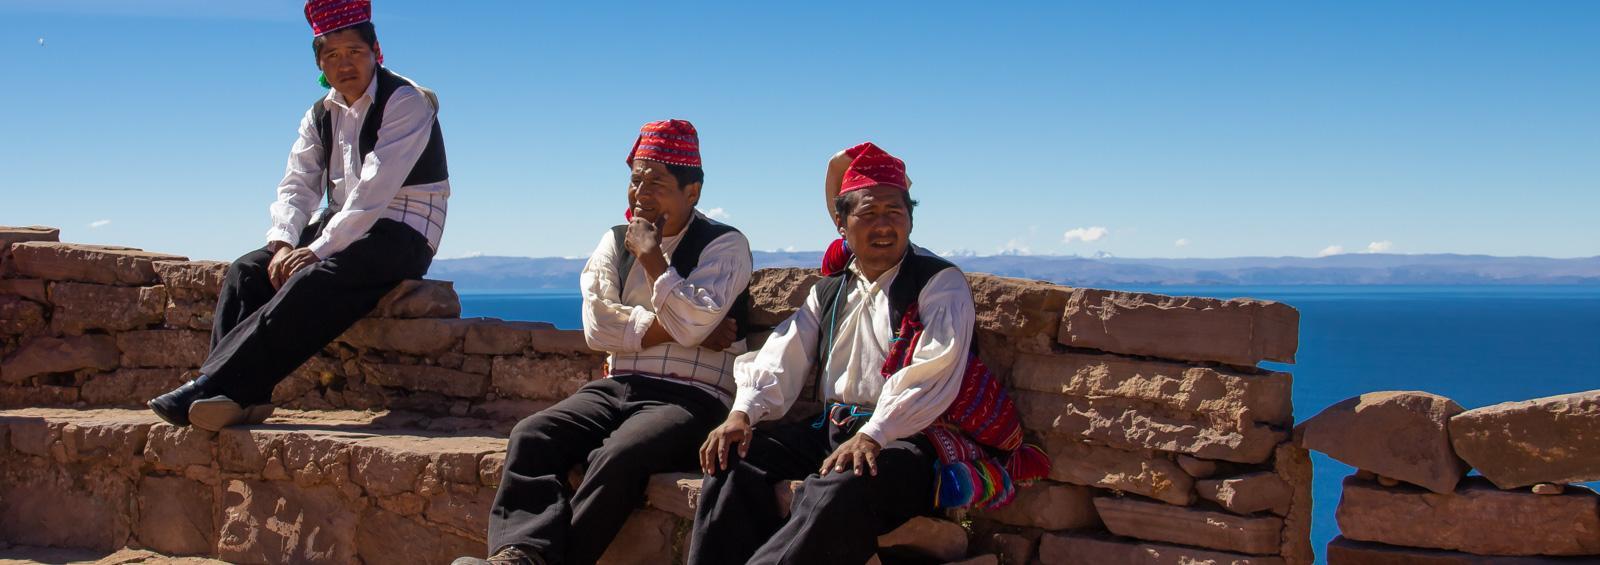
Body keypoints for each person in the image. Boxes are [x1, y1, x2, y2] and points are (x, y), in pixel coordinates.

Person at [454, 120, 753, 565]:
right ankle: (519, 553)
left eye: (657, 183)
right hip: (618, 385)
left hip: (694, 397)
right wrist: (689, 331)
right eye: (636, 180)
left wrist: (654, 259)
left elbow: (690, 320)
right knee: (532, 435)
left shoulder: (724, 245)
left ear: (692, 193)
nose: (641, 194)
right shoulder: (615, 241)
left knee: (622, 454)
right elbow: (598, 327)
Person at [147, 0, 450, 431]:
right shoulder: (319, 114)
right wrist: (285, 243)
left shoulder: (407, 101)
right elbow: (298, 184)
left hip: (405, 229)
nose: (344, 65)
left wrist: (317, 250)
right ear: (320, 63)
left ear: (375, 52)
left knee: (315, 279)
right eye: (332, 55)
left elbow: (374, 191)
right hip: (344, 223)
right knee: (248, 272)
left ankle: (212, 385)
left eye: (354, 53)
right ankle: (237, 397)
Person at [688, 142, 977, 565]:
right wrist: (742, 414)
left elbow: (931, 373)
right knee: (734, 460)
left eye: (895, 213)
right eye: (868, 214)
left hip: (904, 441)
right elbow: (781, 355)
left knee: (840, 487)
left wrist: (873, 434)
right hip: (833, 431)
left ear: (911, 220)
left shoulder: (938, 284)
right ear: (842, 223)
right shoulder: (830, 290)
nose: (883, 226)